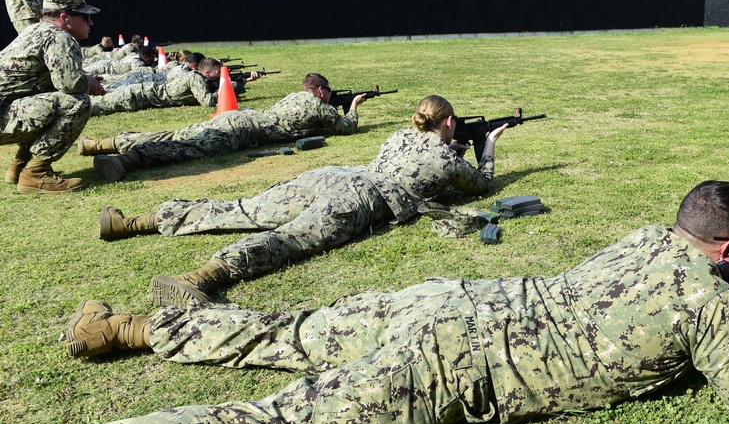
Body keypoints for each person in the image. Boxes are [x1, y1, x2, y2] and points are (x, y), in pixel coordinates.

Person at [0, 180, 729, 424]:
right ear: (728, 251)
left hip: (450, 300)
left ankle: (120, 331)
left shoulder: (648, 240)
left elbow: (659, 287)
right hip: (453, 362)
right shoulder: (709, 302)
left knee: (288, 331)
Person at [100, 94, 506, 306]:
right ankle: (203, 276)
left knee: (243, 208)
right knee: (291, 239)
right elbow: (482, 185)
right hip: (356, 198)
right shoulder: (443, 157)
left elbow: (419, 165)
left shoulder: (401, 136)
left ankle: (134, 222)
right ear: (449, 122)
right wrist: (487, 146)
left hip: (332, 175)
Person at [78, 73, 365, 182]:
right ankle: (124, 159)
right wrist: (353, 106)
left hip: (236, 118)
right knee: (184, 148)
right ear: (319, 91)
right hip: (244, 132)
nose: (329, 95)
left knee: (178, 134)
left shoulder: (294, 97)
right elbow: (346, 128)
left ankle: (100, 144)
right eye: (327, 91)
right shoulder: (319, 106)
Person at [0, 0, 105, 193]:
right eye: (85, 17)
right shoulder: (59, 37)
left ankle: (20, 165)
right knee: (76, 102)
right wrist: (88, 81)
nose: (90, 23)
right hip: (4, 116)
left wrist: (85, 79)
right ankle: (35, 174)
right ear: (65, 18)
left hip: (5, 110)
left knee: (49, 96)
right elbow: (71, 84)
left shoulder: (33, 31)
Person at [89, 57, 222, 115]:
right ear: (207, 73)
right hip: (138, 95)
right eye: (219, 73)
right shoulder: (195, 77)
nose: (221, 75)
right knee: (92, 106)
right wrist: (225, 90)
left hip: (144, 93)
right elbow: (208, 101)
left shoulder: (198, 78)